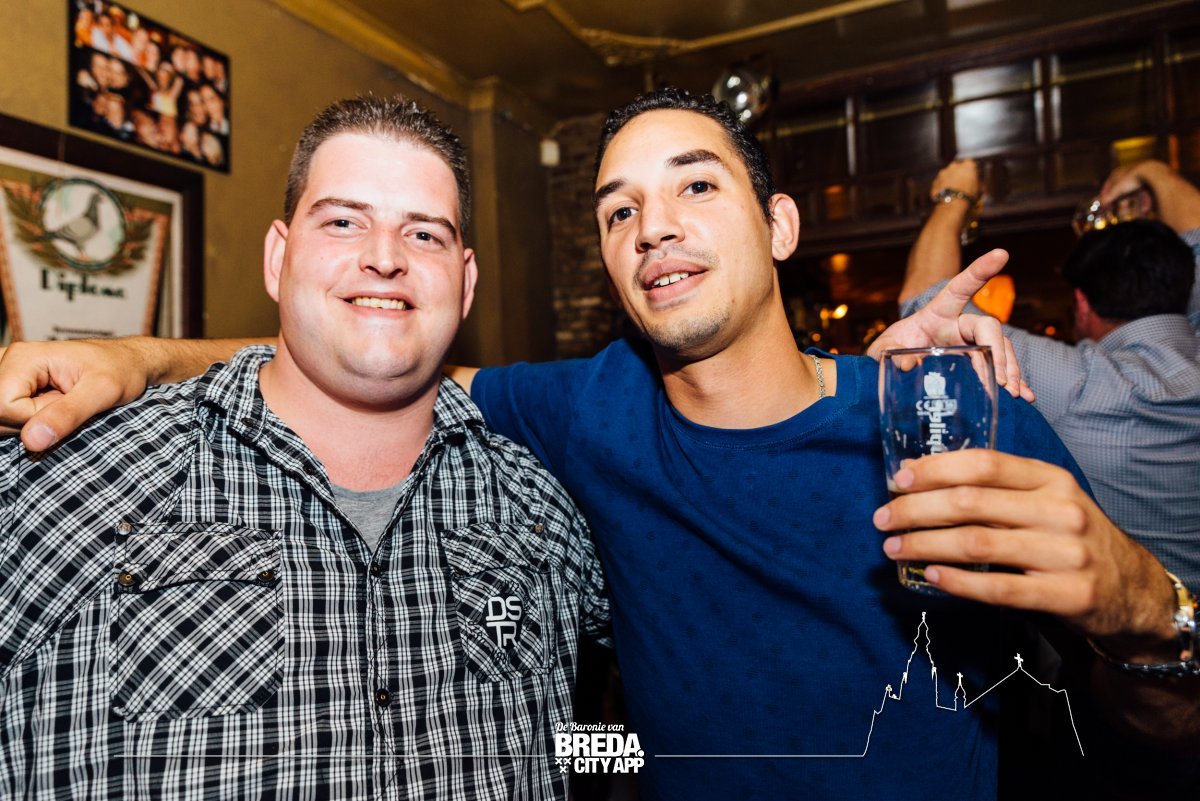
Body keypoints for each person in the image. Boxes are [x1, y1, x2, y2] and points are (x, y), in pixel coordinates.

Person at [3, 90, 1195, 799]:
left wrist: (1151, 616)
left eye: (696, 189)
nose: (653, 226)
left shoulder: (953, 420)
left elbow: (1151, 739)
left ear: (780, 225)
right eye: (620, 207)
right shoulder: (581, 417)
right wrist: (136, 357)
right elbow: (379, 350)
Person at [0, 96, 610, 800]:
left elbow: (604, 726)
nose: (385, 258)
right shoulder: (69, 480)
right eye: (344, 221)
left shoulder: (542, 507)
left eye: (424, 234)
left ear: (466, 282)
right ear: (278, 257)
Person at [900, 159, 1200, 591]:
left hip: (1135, 622)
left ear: (1082, 305)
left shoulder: (1084, 384)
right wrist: (1156, 170)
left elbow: (926, 309)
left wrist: (954, 197)